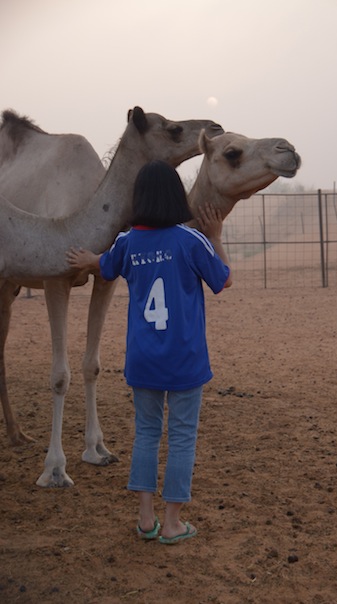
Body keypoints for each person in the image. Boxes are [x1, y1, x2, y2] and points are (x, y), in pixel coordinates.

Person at [66, 160, 232, 545]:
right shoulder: (191, 241)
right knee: (182, 436)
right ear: (176, 195)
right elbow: (223, 280)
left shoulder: (128, 243)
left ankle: (145, 520)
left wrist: (87, 259)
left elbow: (105, 266)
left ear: (139, 197)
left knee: (145, 434)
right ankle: (173, 523)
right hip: (185, 360)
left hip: (143, 359)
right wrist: (217, 235)